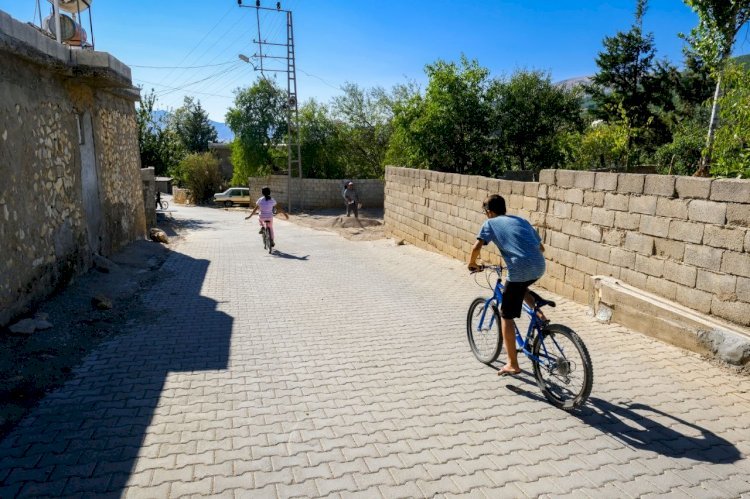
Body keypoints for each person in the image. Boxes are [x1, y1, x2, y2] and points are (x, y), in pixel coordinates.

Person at [468, 194, 546, 377]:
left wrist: (472, 264)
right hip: (539, 265)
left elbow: (476, 248)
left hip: (519, 269)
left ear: (490, 212)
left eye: (486, 212)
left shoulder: (490, 223)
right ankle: (540, 316)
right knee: (521, 288)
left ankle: (512, 363)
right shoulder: (521, 220)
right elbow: (541, 248)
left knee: (506, 316)